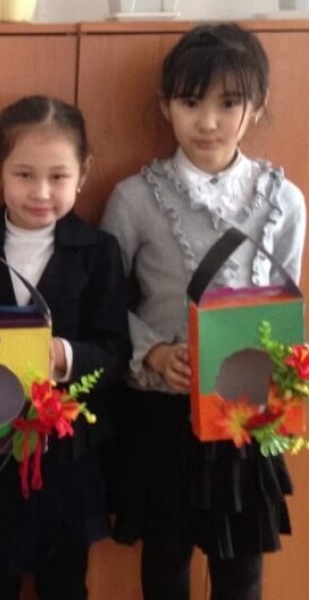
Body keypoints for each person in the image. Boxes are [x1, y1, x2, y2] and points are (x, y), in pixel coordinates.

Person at [100, 23, 306, 600]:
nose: (208, 121)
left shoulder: (285, 200)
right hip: (164, 412)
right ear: (166, 104)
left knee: (242, 570)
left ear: (256, 105)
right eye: (191, 103)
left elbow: (287, 303)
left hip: (245, 411)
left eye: (228, 103)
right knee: (166, 563)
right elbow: (105, 305)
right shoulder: (133, 197)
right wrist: (154, 354)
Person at [0, 95, 131, 600]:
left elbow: (115, 351)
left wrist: (63, 355)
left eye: (58, 176)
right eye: (24, 175)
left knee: (65, 586)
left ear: (84, 173)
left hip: (67, 460)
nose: (41, 192)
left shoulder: (98, 251)